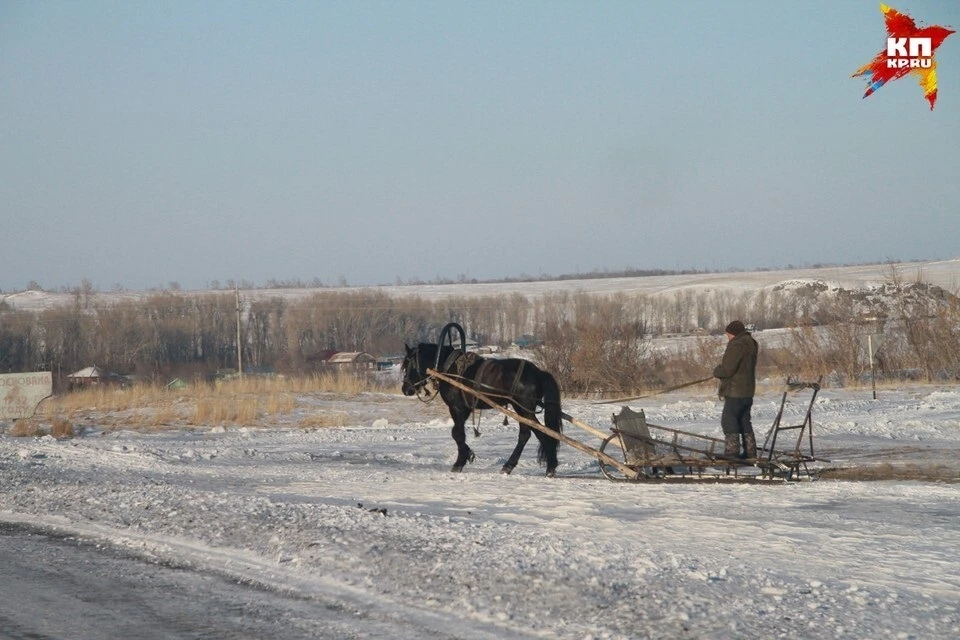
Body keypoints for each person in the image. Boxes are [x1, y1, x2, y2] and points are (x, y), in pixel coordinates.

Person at [712, 320, 759, 459]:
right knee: (744, 420)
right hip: (748, 390)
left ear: (733, 333)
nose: (728, 338)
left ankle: (732, 452)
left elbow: (727, 370)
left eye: (728, 335)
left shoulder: (737, 345)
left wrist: (717, 371)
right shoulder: (751, 343)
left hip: (735, 390)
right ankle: (750, 452)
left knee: (729, 420)